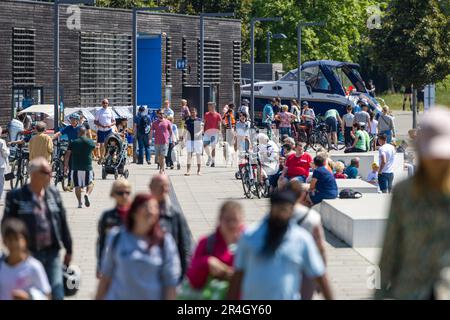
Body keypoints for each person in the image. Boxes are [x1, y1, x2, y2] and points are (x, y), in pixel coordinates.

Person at [376, 107, 450, 300]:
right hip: (410, 290)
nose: (436, 161)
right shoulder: (404, 193)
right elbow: (390, 249)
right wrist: (379, 291)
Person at [227, 190, 333, 300]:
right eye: (278, 209)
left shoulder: (301, 239)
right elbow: (238, 276)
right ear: (271, 209)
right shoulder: (249, 236)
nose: (281, 214)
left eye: (285, 210)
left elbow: (320, 275)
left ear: (291, 212)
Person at [2, 157, 73, 300]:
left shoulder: (53, 193)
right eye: (46, 172)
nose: (51, 175)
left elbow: (62, 221)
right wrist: (12, 249)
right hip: (28, 254)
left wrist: (69, 248)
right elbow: (7, 225)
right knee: (32, 294)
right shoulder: (16, 196)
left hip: (51, 252)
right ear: (34, 174)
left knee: (56, 293)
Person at [95, 194, 181, 300]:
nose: (152, 211)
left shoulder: (164, 242)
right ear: (134, 212)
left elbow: (171, 283)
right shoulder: (117, 237)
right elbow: (106, 276)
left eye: (155, 208)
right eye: (147, 207)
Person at [186, 201, 244, 290]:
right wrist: (207, 262)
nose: (231, 224)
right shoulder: (207, 243)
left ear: (241, 221)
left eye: (235, 220)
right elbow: (192, 279)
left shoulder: (250, 244)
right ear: (220, 219)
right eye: (227, 220)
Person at [284, 181, 327, 300]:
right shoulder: (312, 217)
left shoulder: (277, 216)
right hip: (305, 266)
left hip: (284, 264)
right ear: (301, 195)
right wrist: (322, 274)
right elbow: (321, 248)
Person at [149, 175, 192, 280]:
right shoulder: (142, 214)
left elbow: (185, 247)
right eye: (160, 186)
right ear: (151, 188)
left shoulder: (175, 216)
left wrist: (184, 276)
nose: (164, 189)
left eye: (166, 186)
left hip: (170, 274)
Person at [0, 218, 51, 300]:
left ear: (25, 240)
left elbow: (47, 295)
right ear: (4, 241)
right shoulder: (1, 267)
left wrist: (29, 297)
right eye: (9, 239)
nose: (13, 243)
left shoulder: (34, 267)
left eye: (17, 239)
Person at [96, 179, 132, 278]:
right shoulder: (107, 216)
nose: (124, 196)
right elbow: (102, 242)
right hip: (113, 263)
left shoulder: (136, 215)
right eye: (120, 193)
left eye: (127, 193)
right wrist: (99, 265)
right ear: (113, 194)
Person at [64, 127, 96, 208]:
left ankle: (79, 203)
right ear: (85, 132)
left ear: (78, 133)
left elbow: (67, 155)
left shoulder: (73, 142)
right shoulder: (90, 142)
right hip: (87, 167)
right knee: (90, 182)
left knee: (77, 185)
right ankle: (87, 194)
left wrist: (66, 166)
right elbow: (93, 149)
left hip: (75, 167)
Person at [149, 109, 173, 174]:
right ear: (157, 114)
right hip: (157, 142)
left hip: (165, 141)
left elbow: (171, 131)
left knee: (163, 156)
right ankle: (162, 168)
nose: (161, 114)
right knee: (159, 156)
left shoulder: (167, 122)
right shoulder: (154, 123)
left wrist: (172, 139)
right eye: (160, 113)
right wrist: (150, 139)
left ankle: (162, 170)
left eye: (162, 113)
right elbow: (151, 132)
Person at [94, 99, 116, 163]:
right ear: (102, 104)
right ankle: (101, 157)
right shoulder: (99, 111)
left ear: (108, 104)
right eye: (104, 103)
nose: (105, 104)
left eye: (106, 103)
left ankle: (109, 156)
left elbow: (114, 121)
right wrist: (100, 125)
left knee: (111, 143)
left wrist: (110, 125)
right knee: (102, 144)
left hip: (109, 130)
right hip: (101, 130)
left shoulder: (110, 111)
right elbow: (95, 121)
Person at [184, 107, 203, 176]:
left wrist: (198, 133)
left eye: (194, 112)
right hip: (190, 140)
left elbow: (202, 129)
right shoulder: (187, 120)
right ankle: (188, 170)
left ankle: (199, 170)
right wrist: (183, 137)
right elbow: (185, 130)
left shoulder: (199, 120)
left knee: (198, 155)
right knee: (189, 155)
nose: (192, 113)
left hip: (198, 140)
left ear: (196, 113)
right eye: (191, 112)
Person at [203, 102, 222, 167]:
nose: (208, 107)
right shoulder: (206, 114)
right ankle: (209, 157)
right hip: (207, 132)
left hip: (214, 133)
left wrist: (219, 132)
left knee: (213, 147)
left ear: (213, 106)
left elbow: (219, 124)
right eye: (208, 106)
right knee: (205, 145)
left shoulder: (218, 115)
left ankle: (213, 161)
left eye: (209, 106)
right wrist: (203, 131)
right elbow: (204, 123)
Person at [0, 126, 9, 200]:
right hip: (1, 164)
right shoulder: (2, 141)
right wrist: (8, 150)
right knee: (1, 182)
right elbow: (5, 153)